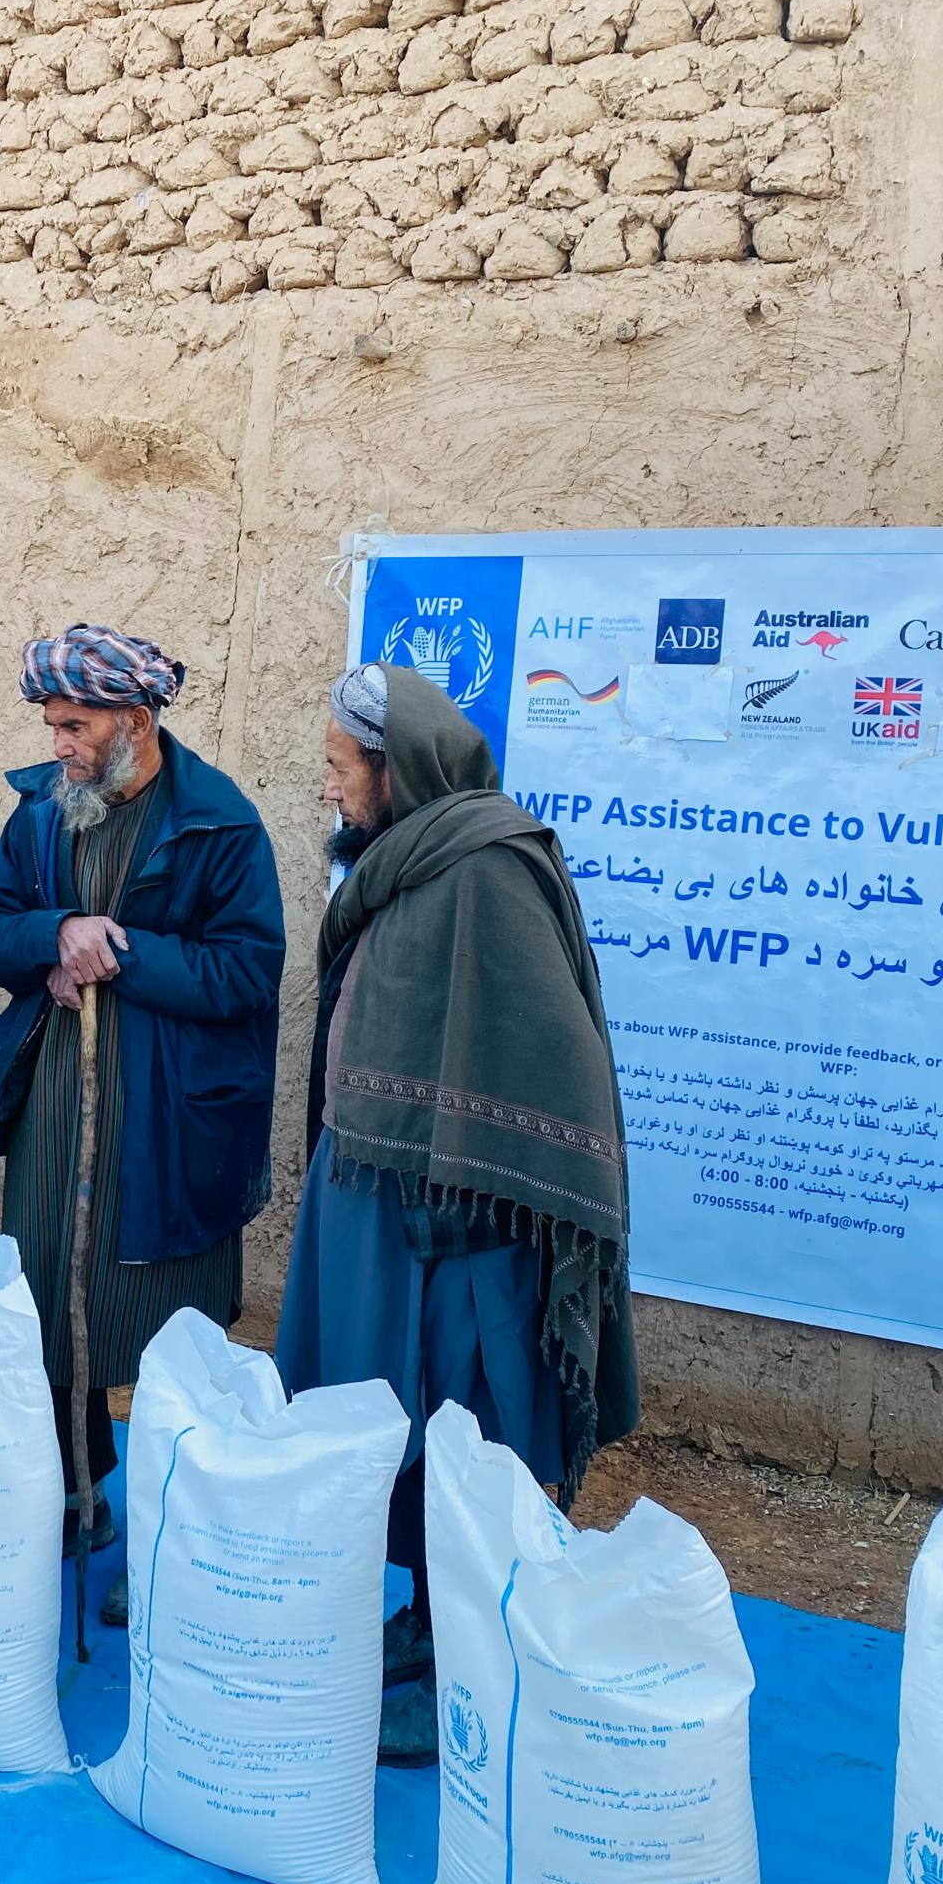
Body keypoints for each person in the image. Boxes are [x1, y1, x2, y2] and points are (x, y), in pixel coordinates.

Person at [276, 662, 638, 1766]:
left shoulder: (486, 872)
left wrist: (465, 1184)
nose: (331, 789)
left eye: (341, 769)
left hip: (464, 1231)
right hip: (377, 1210)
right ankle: (424, 1625)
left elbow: (547, 1062)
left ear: (397, 769)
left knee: (462, 1437)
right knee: (378, 1424)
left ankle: (458, 1660)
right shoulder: (403, 865)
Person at [0, 623, 284, 1582]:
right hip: (57, 1106)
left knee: (173, 1328)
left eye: (75, 725)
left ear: (135, 719)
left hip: (172, 1120)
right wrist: (54, 934)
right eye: (52, 724)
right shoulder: (43, 813)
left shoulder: (220, 823)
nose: (59, 745)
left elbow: (249, 973)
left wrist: (113, 952)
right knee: (49, 1303)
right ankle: (74, 1500)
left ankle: (177, 1545)